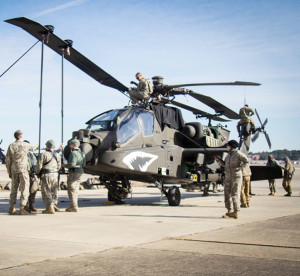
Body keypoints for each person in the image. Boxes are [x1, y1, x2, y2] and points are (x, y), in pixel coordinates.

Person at [6, 130, 38, 215]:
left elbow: (8, 160)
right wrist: (37, 145)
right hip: (23, 169)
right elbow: (33, 148)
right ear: (21, 136)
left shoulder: (11, 146)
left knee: (14, 188)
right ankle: (22, 208)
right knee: (24, 188)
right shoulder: (25, 145)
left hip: (14, 169)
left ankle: (11, 207)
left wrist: (9, 171)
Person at [215, 140, 249, 219]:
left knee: (235, 194)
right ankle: (229, 210)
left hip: (236, 176)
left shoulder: (238, 154)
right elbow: (225, 165)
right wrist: (219, 160)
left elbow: (246, 162)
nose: (226, 147)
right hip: (228, 176)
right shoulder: (228, 156)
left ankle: (236, 211)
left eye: (228, 146)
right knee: (227, 194)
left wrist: (239, 168)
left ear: (231, 147)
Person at [35, 140, 61, 214]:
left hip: (47, 174)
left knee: (46, 191)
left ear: (47, 146)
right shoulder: (57, 155)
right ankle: (54, 204)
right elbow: (59, 166)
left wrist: (37, 173)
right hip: (55, 174)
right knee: (54, 191)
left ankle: (49, 207)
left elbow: (39, 165)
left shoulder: (43, 154)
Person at [64, 139, 86, 212]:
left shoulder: (73, 153)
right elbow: (84, 164)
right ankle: (73, 205)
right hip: (80, 172)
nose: (70, 146)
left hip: (74, 172)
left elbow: (72, 164)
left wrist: (65, 165)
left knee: (71, 188)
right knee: (75, 189)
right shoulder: (82, 153)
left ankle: (74, 206)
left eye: (71, 144)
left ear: (73, 145)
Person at [24, 140, 40, 213]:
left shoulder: (32, 154)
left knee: (33, 190)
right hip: (26, 174)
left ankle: (31, 205)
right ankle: (25, 206)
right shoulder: (23, 155)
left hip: (33, 174)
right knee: (25, 191)